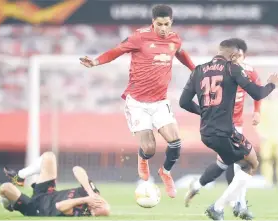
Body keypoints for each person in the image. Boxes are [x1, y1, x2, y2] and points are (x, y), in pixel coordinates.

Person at [79, 4, 195, 198]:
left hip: (160, 102)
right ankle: (143, 158)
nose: (163, 28)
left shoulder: (174, 39)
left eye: (167, 24)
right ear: (153, 22)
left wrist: (194, 69)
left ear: (171, 22)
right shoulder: (139, 37)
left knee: (175, 142)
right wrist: (96, 61)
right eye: (159, 24)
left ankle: (165, 173)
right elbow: (117, 50)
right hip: (138, 103)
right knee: (150, 147)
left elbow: (181, 53)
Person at [179, 39, 278, 220]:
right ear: (233, 55)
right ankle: (219, 207)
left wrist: (203, 112)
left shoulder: (199, 70)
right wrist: (271, 84)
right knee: (252, 163)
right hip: (226, 131)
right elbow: (257, 93)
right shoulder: (232, 68)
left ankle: (233, 204)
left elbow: (183, 102)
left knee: (230, 164)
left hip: (206, 133)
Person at [0, 151, 110, 217]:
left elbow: (59, 206)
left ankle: (8, 205)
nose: (95, 208)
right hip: (48, 192)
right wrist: (90, 193)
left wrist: (85, 200)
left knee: (5, 188)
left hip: (38, 209)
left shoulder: (83, 211)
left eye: (96, 210)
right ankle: (20, 176)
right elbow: (77, 169)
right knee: (49, 156)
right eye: (99, 205)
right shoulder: (91, 193)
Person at [257, 89, 278, 188]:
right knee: (266, 159)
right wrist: (261, 133)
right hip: (267, 138)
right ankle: (268, 182)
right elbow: (258, 121)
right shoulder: (263, 105)